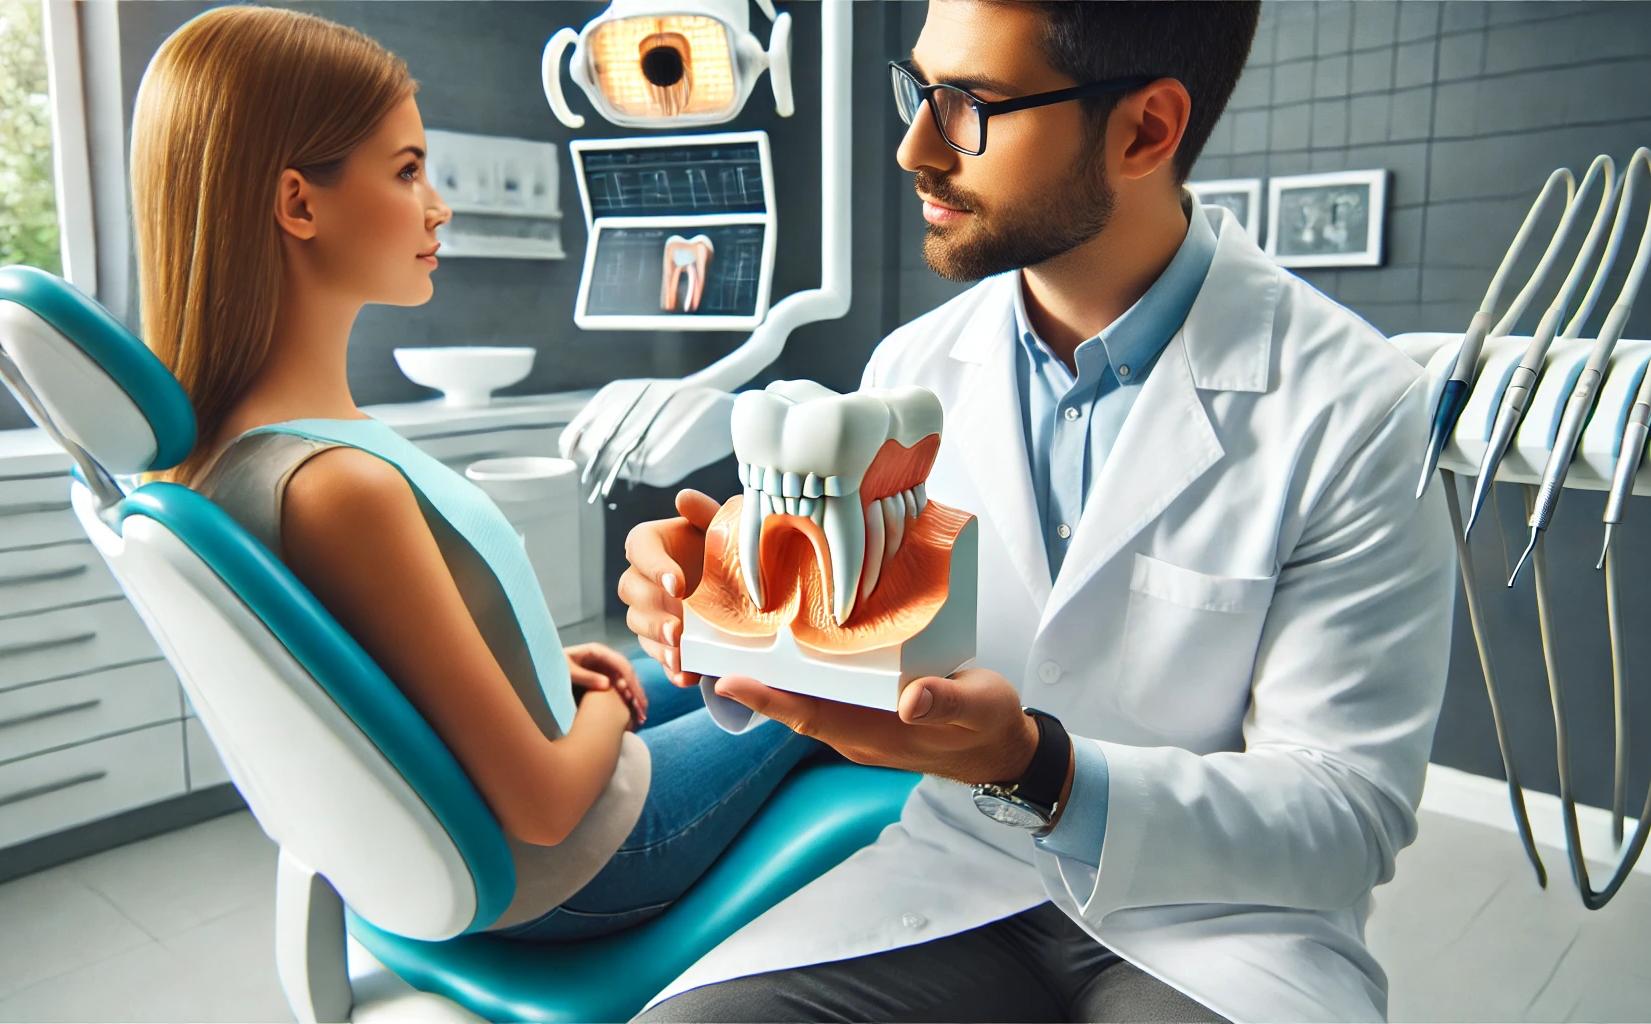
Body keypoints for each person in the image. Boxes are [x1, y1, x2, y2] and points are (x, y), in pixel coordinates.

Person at [618, 1, 1456, 1020]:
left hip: (1221, 922)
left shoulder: (1354, 405)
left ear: (1145, 129)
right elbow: (866, 650)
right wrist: (731, 602)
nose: (914, 147)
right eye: (919, 90)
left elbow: (1346, 814)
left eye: (969, 104)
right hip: (954, 877)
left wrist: (1039, 767)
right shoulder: (912, 369)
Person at [130, 5, 819, 941]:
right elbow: (544, 808)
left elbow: (380, 671)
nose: (438, 206)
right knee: (825, 674)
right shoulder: (339, 484)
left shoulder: (223, 457)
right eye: (408, 171)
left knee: (721, 657)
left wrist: (540, 672)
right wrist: (608, 711)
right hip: (586, 859)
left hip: (507, 802)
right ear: (299, 204)